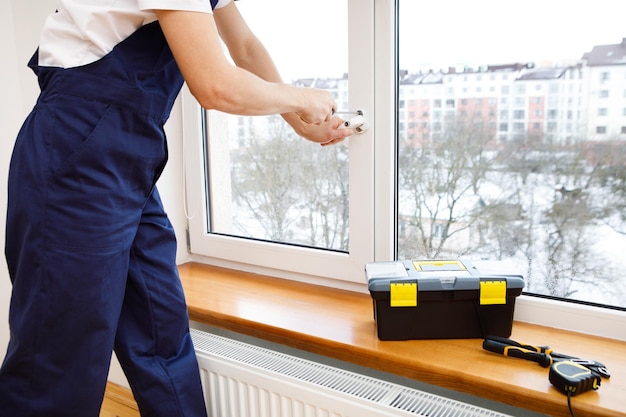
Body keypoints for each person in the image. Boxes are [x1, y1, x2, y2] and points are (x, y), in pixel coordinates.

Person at [0, 1, 354, 416]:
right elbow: (215, 84)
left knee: (160, 332)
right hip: (78, 152)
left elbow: (243, 45)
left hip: (129, 158)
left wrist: (301, 121)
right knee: (57, 358)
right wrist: (301, 98)